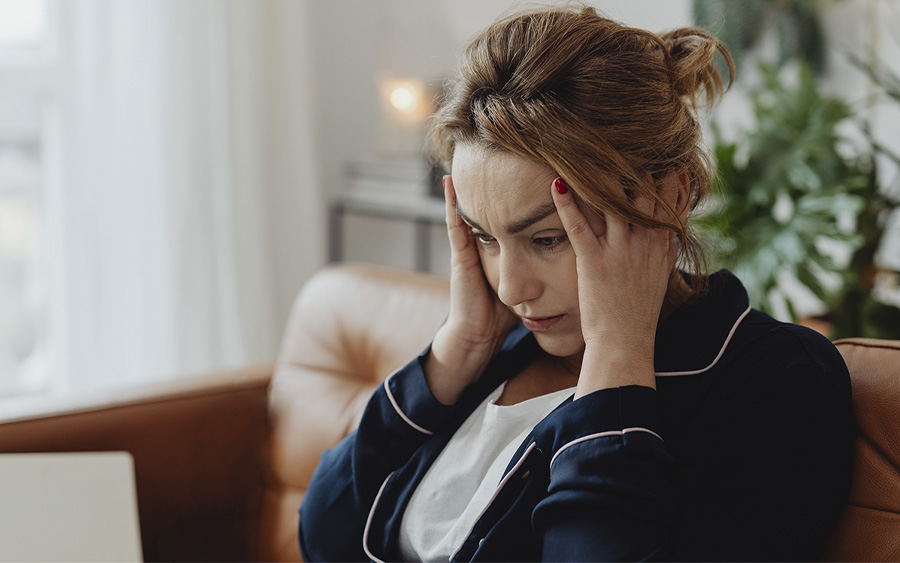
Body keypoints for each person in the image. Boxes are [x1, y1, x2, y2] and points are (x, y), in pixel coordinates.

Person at [299, 5, 856, 561]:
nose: (512, 288)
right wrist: (454, 352)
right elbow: (322, 534)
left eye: (546, 239)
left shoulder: (773, 381)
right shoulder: (499, 350)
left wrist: (618, 357)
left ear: (671, 198)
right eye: (484, 237)